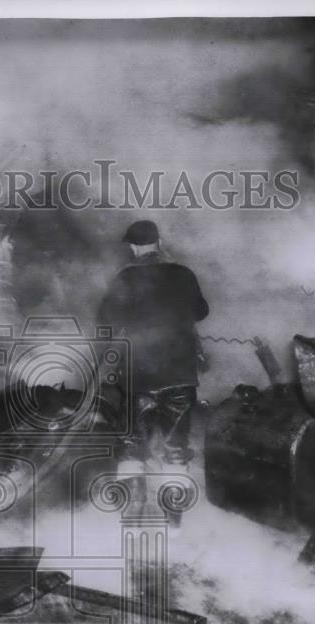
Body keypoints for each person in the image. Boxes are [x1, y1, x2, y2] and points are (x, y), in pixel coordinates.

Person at [97, 219, 209, 521]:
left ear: (133, 247)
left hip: (139, 378)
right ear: (158, 243)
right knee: (176, 449)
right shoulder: (184, 274)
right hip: (180, 377)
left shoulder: (126, 277)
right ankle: (173, 524)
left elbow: (105, 319)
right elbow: (201, 311)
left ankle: (132, 520)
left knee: (132, 445)